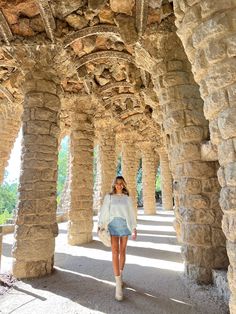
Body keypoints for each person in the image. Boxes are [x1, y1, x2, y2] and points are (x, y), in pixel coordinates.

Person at [98, 176, 137, 301]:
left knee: (122, 252)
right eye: (117, 183)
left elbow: (131, 213)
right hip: (112, 225)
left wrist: (134, 228)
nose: (119, 185)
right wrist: (100, 225)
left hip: (125, 226)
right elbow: (104, 211)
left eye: (121, 183)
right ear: (114, 184)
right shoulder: (109, 197)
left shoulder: (127, 198)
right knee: (114, 252)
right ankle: (118, 285)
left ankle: (121, 274)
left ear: (123, 185)